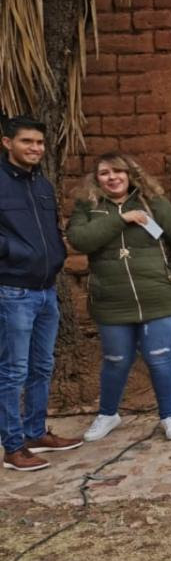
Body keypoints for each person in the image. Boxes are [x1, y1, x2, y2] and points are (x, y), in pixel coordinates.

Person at [67, 153, 171, 444]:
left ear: (130, 174)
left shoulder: (152, 203)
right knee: (115, 360)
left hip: (158, 296)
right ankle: (108, 414)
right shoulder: (88, 206)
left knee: (160, 358)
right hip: (112, 300)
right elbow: (80, 240)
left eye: (118, 171)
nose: (112, 177)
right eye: (104, 173)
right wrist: (122, 219)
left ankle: (169, 416)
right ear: (96, 179)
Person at [0, 116, 80, 471]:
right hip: (12, 291)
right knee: (13, 371)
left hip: (46, 291)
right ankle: (13, 447)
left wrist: (57, 252)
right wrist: (16, 253)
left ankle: (35, 432)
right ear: (7, 143)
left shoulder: (42, 184)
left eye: (39, 143)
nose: (35, 148)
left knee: (42, 366)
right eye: (27, 141)